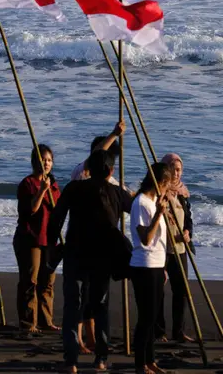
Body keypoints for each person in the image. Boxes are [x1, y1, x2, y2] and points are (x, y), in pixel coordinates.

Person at [48, 150, 132, 374]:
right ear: (111, 171)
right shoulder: (116, 192)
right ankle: (101, 359)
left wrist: (51, 244)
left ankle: (71, 361)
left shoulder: (74, 188)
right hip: (103, 257)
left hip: (76, 254)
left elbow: (56, 218)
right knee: (100, 306)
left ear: (88, 169)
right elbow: (139, 208)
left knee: (72, 307)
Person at [70, 120, 127, 355]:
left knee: (97, 297)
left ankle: (94, 339)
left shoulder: (113, 183)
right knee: (82, 297)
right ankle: (80, 341)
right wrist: (114, 134)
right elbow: (96, 155)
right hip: (83, 245)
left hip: (104, 248)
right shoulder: (82, 173)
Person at [13, 144, 61, 334]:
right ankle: (28, 323)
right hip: (30, 239)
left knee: (47, 281)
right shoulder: (28, 184)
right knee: (30, 281)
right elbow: (32, 209)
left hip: (49, 240)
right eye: (43, 159)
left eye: (49, 160)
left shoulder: (54, 186)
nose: (46, 163)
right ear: (35, 161)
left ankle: (45, 320)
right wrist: (42, 190)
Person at [130, 162, 171, 374]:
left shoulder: (154, 202)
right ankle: (140, 363)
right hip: (143, 265)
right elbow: (146, 238)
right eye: (167, 185)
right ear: (161, 183)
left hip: (155, 265)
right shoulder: (141, 202)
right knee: (146, 316)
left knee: (153, 316)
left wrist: (163, 266)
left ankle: (150, 360)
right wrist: (158, 215)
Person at [155, 153, 194, 343]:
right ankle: (159, 331)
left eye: (179, 170)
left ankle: (179, 331)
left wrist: (187, 233)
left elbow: (188, 219)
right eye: (172, 169)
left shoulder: (183, 193)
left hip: (179, 248)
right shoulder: (158, 191)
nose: (176, 174)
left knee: (181, 290)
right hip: (162, 248)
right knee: (159, 290)